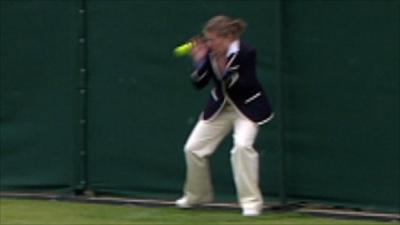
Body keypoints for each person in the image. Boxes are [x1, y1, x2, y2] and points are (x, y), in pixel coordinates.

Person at [176, 15, 274, 216]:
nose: (209, 44)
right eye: (207, 40)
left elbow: (242, 84)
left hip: (247, 108)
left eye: (212, 40)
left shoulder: (246, 52)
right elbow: (199, 83)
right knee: (193, 149)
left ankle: (251, 203)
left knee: (242, 147)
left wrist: (223, 66)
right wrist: (200, 61)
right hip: (220, 107)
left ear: (228, 37)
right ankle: (196, 195)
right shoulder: (211, 53)